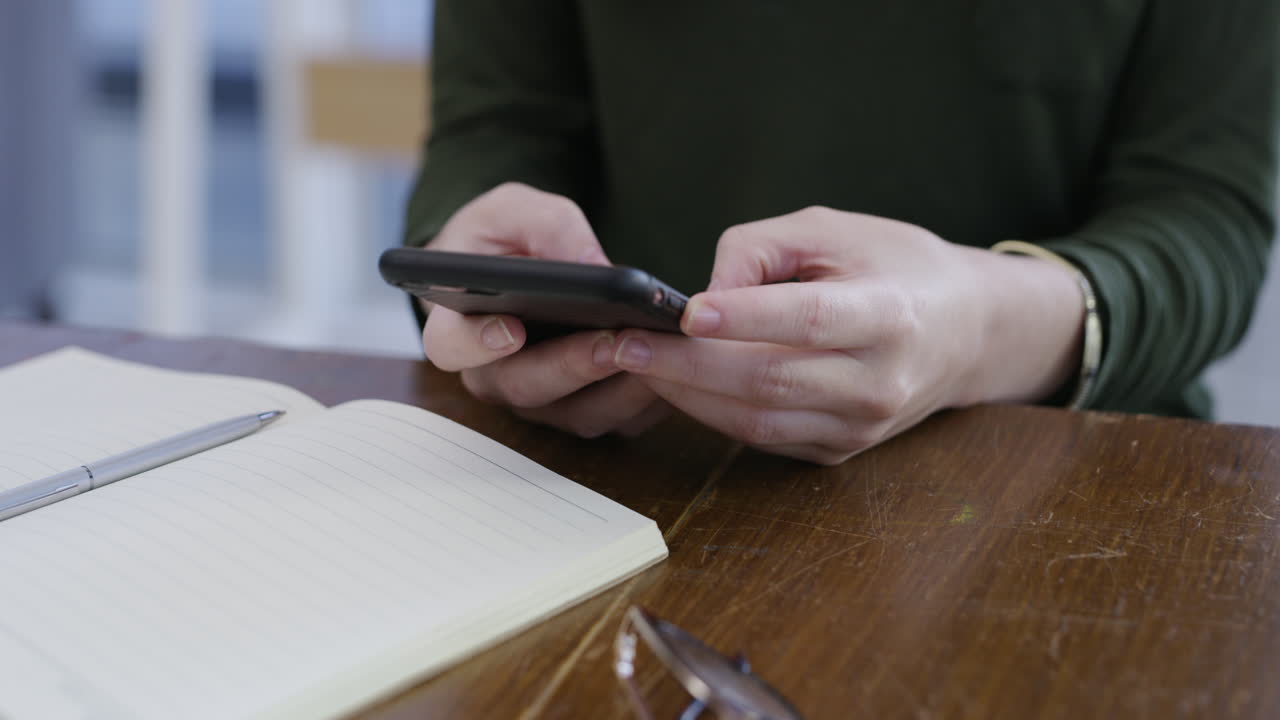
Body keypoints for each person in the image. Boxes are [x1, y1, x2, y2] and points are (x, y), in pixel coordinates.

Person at [402, 1, 1279, 465]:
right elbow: (496, 128)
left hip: (1066, 476)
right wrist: (476, 278)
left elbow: (1205, 212)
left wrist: (979, 330)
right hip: (619, 467)